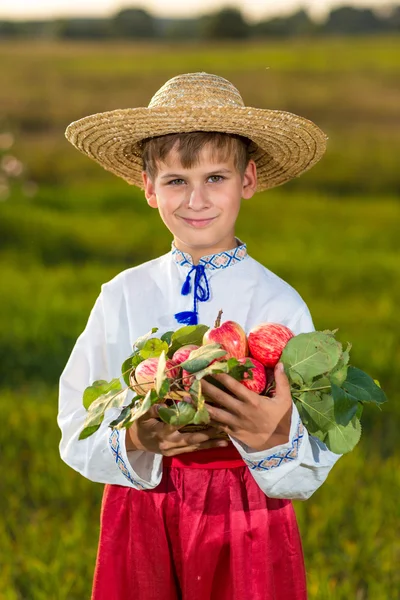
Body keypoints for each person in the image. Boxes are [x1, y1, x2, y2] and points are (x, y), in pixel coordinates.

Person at [59, 72, 341, 600]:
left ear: (248, 180)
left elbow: (317, 453)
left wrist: (272, 436)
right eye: (175, 181)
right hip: (143, 509)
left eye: (216, 178)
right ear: (148, 188)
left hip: (245, 514)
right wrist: (137, 438)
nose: (196, 199)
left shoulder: (279, 303)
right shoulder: (122, 293)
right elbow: (76, 417)